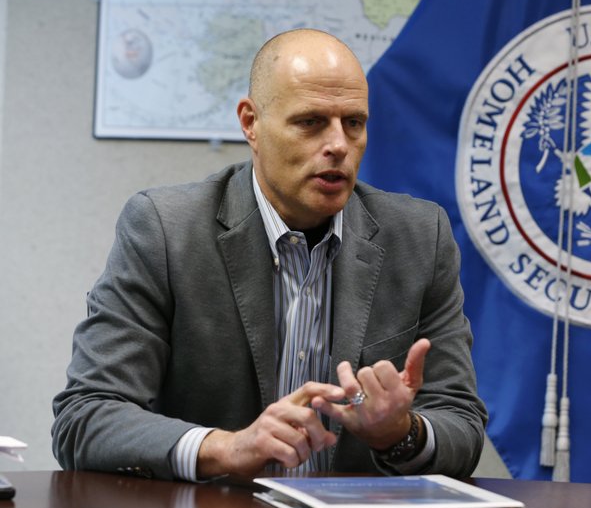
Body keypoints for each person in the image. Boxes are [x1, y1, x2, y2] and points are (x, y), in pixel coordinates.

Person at [52, 29, 487, 481]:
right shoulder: (166, 231)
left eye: (354, 123)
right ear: (251, 123)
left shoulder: (420, 238)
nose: (339, 145)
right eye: (311, 122)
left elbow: (461, 422)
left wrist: (400, 433)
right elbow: (86, 416)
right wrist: (225, 448)